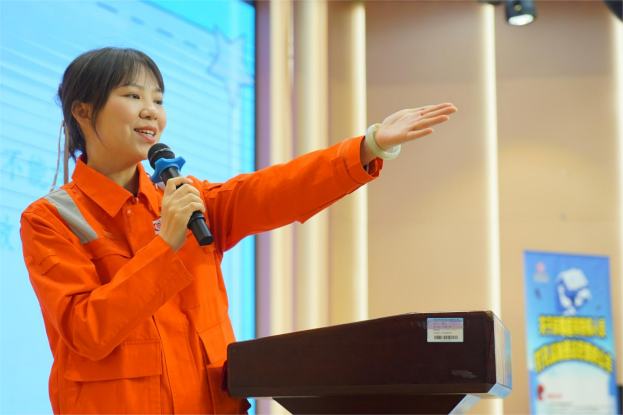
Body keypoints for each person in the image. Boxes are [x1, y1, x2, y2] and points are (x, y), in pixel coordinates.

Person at [20, 47, 457, 415]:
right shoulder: (51, 218)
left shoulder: (189, 197)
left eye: (158, 99)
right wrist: (166, 244)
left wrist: (369, 146)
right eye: (133, 95)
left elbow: (274, 189)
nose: (151, 110)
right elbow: (88, 331)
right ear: (83, 111)